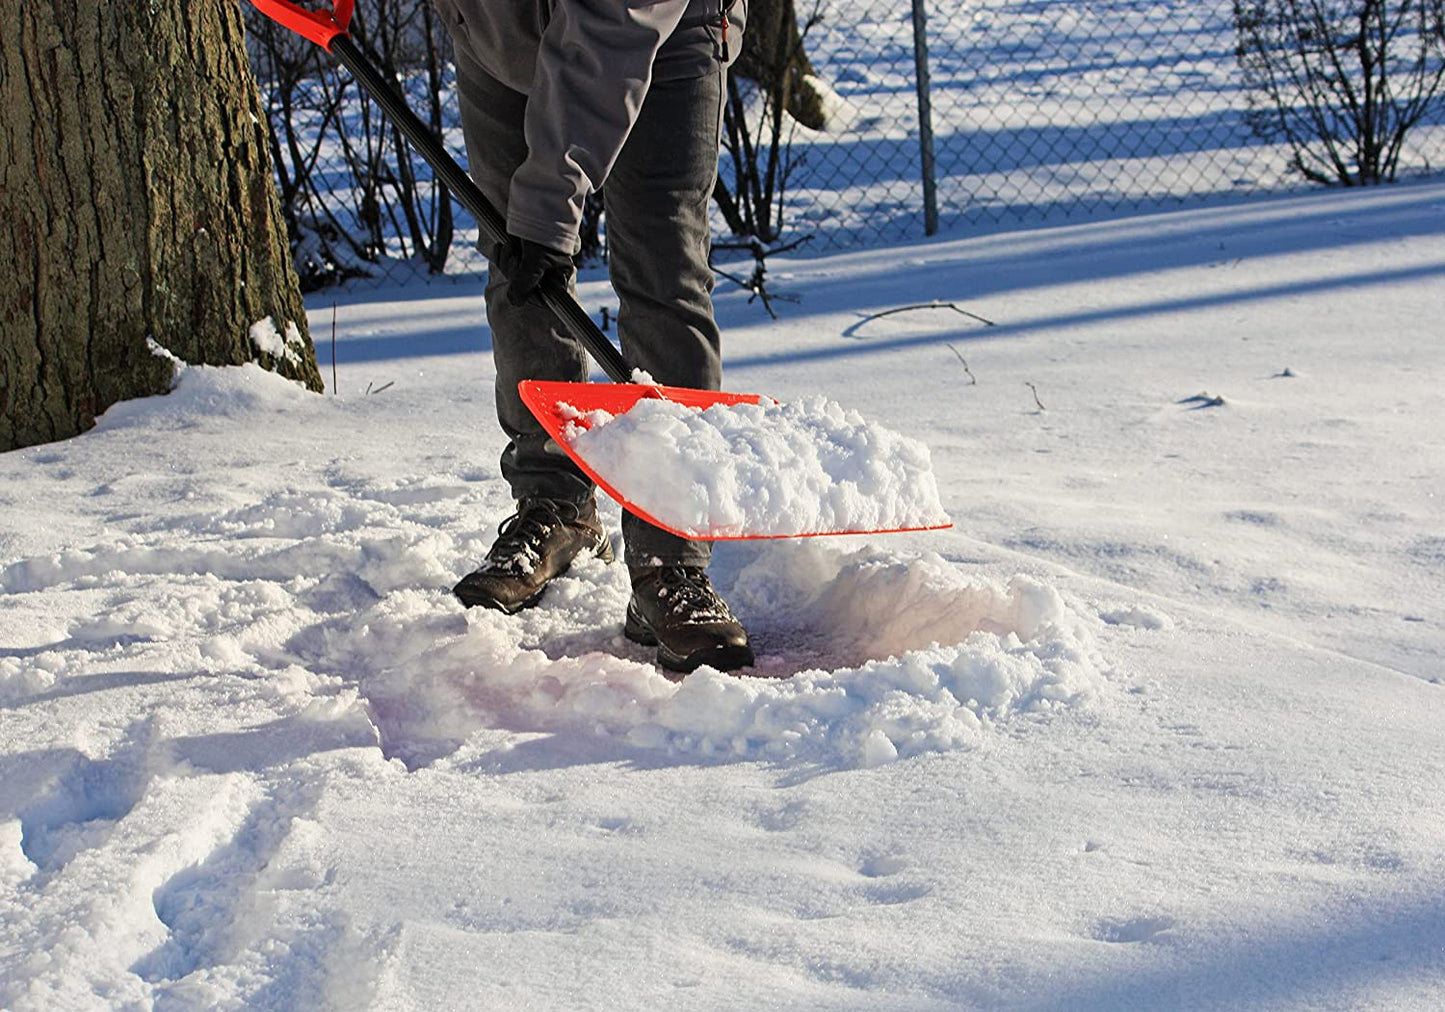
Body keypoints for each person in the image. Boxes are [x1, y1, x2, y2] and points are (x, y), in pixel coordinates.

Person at [434, 0, 754, 675]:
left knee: (663, 271)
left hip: (660, 27)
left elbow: (611, 22)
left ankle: (670, 555)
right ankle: (555, 505)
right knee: (518, 271)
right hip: (497, 29)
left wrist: (548, 214)